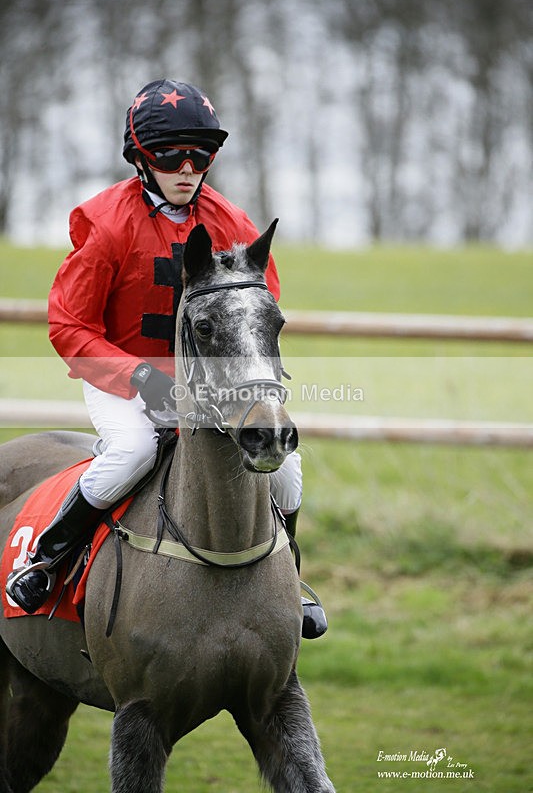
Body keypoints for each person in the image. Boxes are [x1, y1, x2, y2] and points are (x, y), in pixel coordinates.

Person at [6, 79, 327, 638]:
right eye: (169, 156)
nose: (187, 168)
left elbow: (257, 309)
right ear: (140, 157)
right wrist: (140, 378)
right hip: (120, 375)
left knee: (288, 472)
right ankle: (48, 562)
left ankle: (289, 580)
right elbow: (70, 326)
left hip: (211, 387)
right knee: (131, 451)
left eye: (200, 156)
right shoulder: (106, 224)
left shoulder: (234, 223)